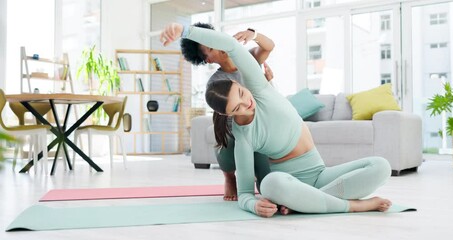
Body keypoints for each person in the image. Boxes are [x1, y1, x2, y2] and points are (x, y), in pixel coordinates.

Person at [160, 23, 392, 218]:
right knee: (270, 185)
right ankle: (351, 206)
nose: (245, 104)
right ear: (229, 115)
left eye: (241, 95)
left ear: (242, 85)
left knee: (381, 166)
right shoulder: (243, 136)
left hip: (320, 174)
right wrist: (253, 205)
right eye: (236, 108)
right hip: (288, 181)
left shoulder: (259, 87)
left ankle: (307, 203)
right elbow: (245, 195)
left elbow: (231, 44)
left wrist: (184, 30)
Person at [180, 22, 275, 201]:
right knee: (225, 140)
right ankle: (230, 177)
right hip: (237, 131)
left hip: (260, 128)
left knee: (266, 187)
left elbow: (269, 46)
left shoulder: (248, 59)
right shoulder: (216, 83)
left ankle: (257, 175)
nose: (217, 46)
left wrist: (252, 34)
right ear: (208, 59)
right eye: (210, 48)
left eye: (215, 41)